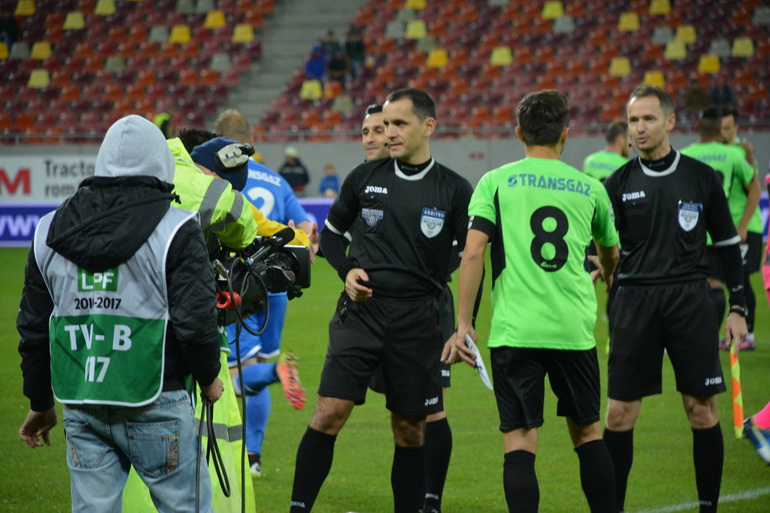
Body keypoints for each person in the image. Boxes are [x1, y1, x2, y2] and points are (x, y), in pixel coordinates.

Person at [17, 115, 225, 512]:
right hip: (156, 396)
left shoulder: (47, 231)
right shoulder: (176, 228)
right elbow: (196, 323)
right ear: (161, 163)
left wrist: (40, 401)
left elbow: (34, 329)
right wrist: (209, 376)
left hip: (82, 398)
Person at [290, 88, 473, 513]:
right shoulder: (364, 178)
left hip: (418, 321)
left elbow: (469, 257)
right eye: (384, 125)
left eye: (398, 124)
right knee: (328, 411)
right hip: (361, 314)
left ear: (427, 127)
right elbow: (332, 235)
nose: (388, 133)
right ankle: (298, 508)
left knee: (410, 429)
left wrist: (460, 321)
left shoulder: (454, 189)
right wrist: (347, 269)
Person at [453, 90, 619, 513]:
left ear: (518, 133)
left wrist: (463, 324)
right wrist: (610, 273)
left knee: (520, 442)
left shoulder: (495, 181)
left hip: (515, 330)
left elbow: (472, 253)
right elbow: (610, 250)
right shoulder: (591, 188)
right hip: (572, 330)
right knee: (588, 435)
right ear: (566, 133)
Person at [602, 84, 748, 513]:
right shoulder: (617, 183)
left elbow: (726, 245)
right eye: (633, 121)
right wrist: (598, 263)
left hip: (689, 300)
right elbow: (604, 247)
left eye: (648, 119)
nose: (639, 128)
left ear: (670, 122)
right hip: (633, 302)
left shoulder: (701, 177)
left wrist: (737, 307)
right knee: (618, 416)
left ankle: (708, 507)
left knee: (701, 412)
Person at [360, 102, 459, 513]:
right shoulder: (365, 184)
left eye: (381, 129)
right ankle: (414, 496)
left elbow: (459, 250)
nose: (372, 137)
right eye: (366, 131)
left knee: (430, 410)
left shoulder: (436, 186)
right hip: (375, 314)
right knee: (401, 415)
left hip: (426, 311)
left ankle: (430, 499)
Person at [214, 109, 316, 478]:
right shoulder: (275, 179)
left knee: (237, 372)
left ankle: (276, 371)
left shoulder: (220, 177)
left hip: (238, 282)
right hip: (276, 285)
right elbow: (305, 224)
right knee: (251, 368)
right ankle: (253, 457)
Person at [681, 106, 759, 348]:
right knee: (724, 285)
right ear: (718, 129)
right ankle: (711, 338)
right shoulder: (732, 154)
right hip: (722, 231)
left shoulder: (684, 154)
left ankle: (698, 337)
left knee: (694, 286)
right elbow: (755, 186)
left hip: (692, 233)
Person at [721, 106, 762, 349]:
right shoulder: (722, 153)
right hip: (729, 229)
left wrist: (743, 225)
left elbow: (754, 191)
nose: (723, 132)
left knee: (742, 281)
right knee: (730, 280)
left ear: (736, 128)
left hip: (745, 228)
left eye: (727, 128)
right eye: (721, 128)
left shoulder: (742, 152)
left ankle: (750, 335)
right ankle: (736, 332)